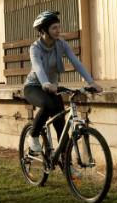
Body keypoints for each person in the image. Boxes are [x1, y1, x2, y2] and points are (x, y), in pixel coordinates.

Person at [23, 10, 102, 154]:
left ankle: (67, 165)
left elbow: (76, 62)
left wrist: (91, 82)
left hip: (52, 87)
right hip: (34, 86)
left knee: (61, 126)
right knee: (48, 104)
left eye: (59, 27)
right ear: (44, 30)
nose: (58, 30)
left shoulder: (61, 44)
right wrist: (46, 84)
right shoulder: (35, 48)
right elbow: (38, 67)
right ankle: (33, 136)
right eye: (54, 27)